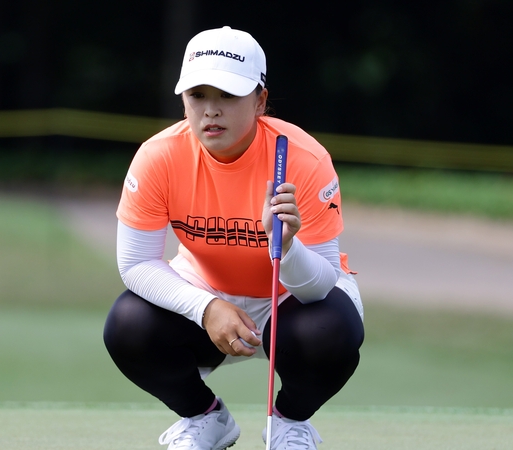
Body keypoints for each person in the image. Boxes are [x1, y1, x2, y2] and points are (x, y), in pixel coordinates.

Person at [103, 26, 364, 450]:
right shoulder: (159, 156)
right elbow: (135, 264)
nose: (211, 111)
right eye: (198, 95)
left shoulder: (302, 158)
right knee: (128, 324)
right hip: (205, 290)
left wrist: (289, 245)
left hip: (291, 301)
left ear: (260, 101)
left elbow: (322, 284)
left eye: (227, 95)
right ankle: (204, 419)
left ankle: (290, 423)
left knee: (331, 330)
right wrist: (206, 308)